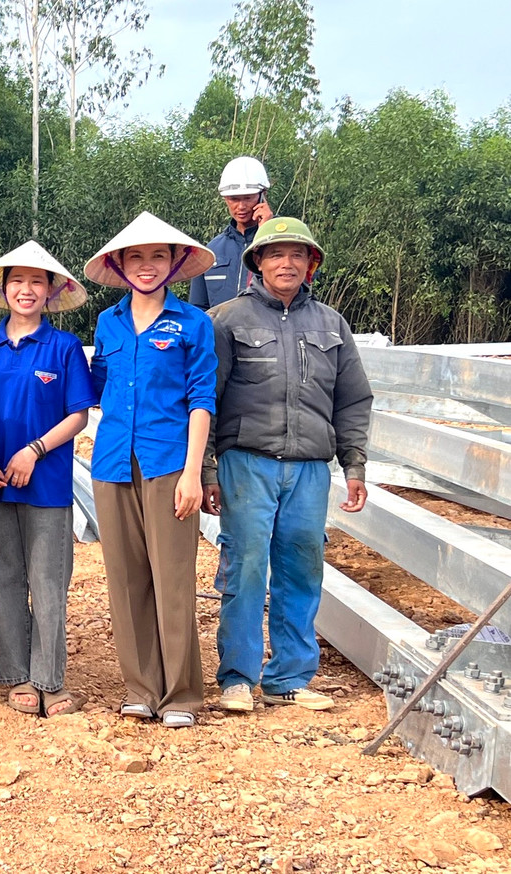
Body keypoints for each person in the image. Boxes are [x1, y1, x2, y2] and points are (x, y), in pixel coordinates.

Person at [203, 217, 373, 713]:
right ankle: (237, 677)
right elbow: (205, 402)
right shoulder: (227, 320)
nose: (287, 263)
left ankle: (289, 677)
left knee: (302, 569)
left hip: (310, 469)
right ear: (257, 262)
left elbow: (352, 399)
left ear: (311, 264)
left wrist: (355, 465)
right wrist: (208, 470)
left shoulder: (332, 324)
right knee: (246, 568)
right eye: (276, 254)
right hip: (246, 464)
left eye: (298, 255)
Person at [84, 212, 218, 729]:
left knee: (173, 579)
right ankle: (141, 687)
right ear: (119, 265)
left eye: (157, 256)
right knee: (126, 578)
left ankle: (181, 693)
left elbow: (202, 399)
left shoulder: (193, 324)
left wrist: (193, 474)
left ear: (175, 262)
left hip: (168, 464)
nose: (146, 266)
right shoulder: (108, 322)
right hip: (112, 462)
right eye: (135, 257)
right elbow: (98, 388)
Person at [0, 242, 94, 718]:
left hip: (48, 482)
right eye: (17, 281)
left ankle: (50, 678)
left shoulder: (62, 347)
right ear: (3, 288)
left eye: (36, 282)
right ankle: (16, 676)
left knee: (47, 580)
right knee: (2, 578)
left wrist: (34, 451)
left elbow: (78, 415)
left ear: (51, 291)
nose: (26, 290)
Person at [189, 156, 274, 310]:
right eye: (234, 199)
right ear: (225, 199)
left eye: (248, 198)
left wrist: (268, 235)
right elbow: (198, 308)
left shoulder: (285, 240)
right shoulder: (212, 250)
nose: (241, 206)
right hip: (221, 333)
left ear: (263, 195)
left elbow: (303, 286)